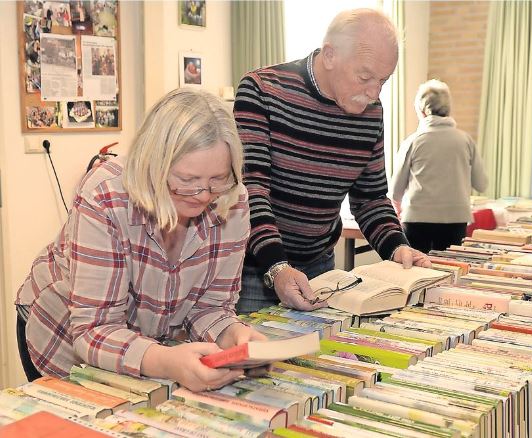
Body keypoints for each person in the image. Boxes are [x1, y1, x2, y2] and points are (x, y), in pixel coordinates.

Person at [15, 89, 266, 392]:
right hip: (62, 333)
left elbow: (210, 308)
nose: (203, 195)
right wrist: (167, 360)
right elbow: (93, 329)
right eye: (187, 181)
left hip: (151, 344)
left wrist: (234, 335)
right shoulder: (106, 195)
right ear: (153, 167)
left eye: (217, 179)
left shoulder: (232, 199)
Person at [234, 8, 431, 314]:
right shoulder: (262, 90)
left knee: (316, 356)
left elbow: (370, 200)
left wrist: (397, 247)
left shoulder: (372, 112)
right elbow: (250, 189)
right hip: (256, 268)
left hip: (319, 266)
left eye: (383, 80)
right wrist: (276, 267)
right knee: (256, 357)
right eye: (365, 77)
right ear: (329, 56)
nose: (373, 92)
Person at [389, 79, 488, 253]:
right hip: (455, 219)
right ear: (448, 109)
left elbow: (395, 191)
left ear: (421, 110)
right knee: (449, 273)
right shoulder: (465, 140)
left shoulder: (413, 141)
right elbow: (482, 184)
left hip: (417, 220)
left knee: (417, 273)